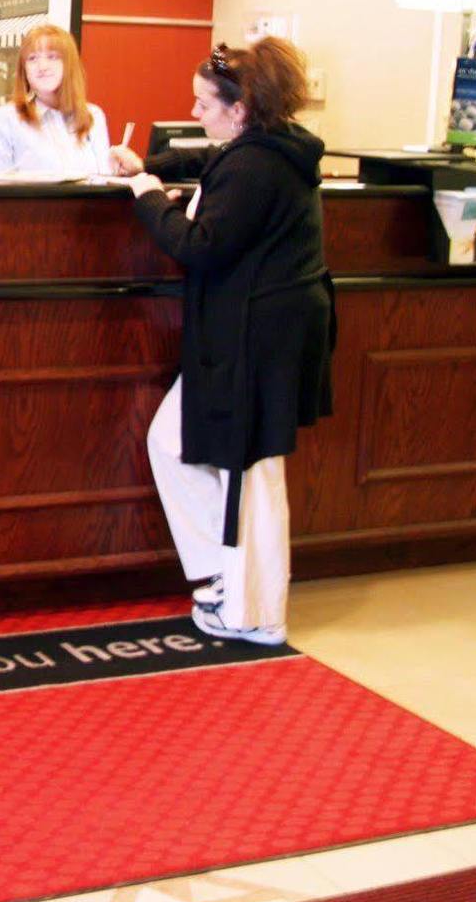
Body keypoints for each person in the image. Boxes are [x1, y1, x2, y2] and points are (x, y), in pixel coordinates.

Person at [113, 36, 333, 645]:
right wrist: (153, 169)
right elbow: (210, 166)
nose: (195, 112)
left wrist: (149, 199)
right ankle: (221, 575)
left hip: (260, 335)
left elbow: (199, 247)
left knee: (251, 473)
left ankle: (256, 613)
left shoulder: (256, 165)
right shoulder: (267, 149)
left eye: (203, 102)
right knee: (172, 440)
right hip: (255, 330)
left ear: (240, 109)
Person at [0, 24, 115, 176]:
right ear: (24, 70)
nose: (42, 66)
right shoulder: (5, 118)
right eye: (32, 58)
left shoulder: (93, 115)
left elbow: (105, 180)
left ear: (69, 64)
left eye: (52, 57)